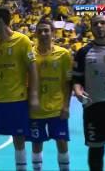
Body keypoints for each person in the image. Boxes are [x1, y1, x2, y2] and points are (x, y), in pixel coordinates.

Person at [0, 7, 39, 171]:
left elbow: (32, 69)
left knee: (19, 140)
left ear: (1, 21)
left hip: (17, 100)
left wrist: (33, 96)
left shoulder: (22, 41)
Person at [73, 14, 105, 171]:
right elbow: (76, 80)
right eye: (95, 24)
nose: (99, 26)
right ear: (91, 28)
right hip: (94, 108)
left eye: (103, 23)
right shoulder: (83, 52)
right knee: (96, 151)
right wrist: (78, 92)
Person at [28, 18, 72, 171]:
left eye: (47, 30)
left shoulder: (63, 54)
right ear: (36, 33)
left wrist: (66, 106)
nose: (43, 33)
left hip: (57, 108)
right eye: (40, 30)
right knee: (36, 144)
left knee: (62, 142)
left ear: (53, 32)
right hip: (35, 109)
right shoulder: (30, 54)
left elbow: (68, 82)